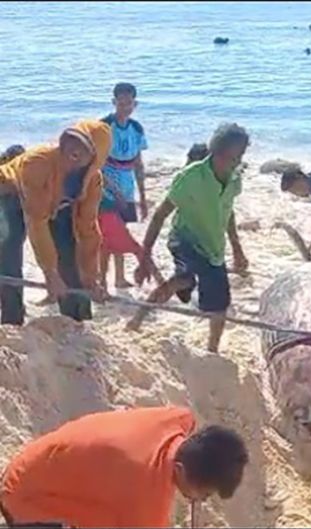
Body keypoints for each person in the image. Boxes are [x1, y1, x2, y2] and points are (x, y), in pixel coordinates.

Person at [0, 406, 248, 528]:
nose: (202, 500)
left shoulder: (176, 419)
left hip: (38, 467)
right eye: (203, 494)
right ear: (180, 470)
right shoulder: (145, 501)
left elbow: (188, 416)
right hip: (25, 500)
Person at [128, 124, 250, 353]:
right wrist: (145, 256)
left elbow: (228, 212)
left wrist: (236, 247)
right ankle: (138, 318)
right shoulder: (191, 177)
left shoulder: (235, 179)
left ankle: (212, 350)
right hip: (184, 239)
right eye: (228, 157)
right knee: (185, 278)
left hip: (213, 247)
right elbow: (160, 215)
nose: (234, 163)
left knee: (220, 304)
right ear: (215, 151)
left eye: (239, 157)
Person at [0, 120, 111, 325]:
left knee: (69, 256)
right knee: (8, 251)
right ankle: (12, 319)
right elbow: (37, 222)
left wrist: (91, 278)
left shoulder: (93, 181)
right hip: (10, 192)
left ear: (95, 158)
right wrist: (49, 273)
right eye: (70, 141)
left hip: (57, 203)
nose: (73, 149)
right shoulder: (38, 161)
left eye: (82, 147)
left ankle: (77, 318)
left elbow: (88, 230)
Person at [99, 82, 149, 290]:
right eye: (121, 103)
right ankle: (101, 279)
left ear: (134, 104)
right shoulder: (104, 127)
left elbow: (138, 163)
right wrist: (113, 190)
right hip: (106, 188)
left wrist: (142, 196)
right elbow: (98, 163)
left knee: (122, 233)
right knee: (105, 235)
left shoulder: (136, 128)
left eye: (129, 103)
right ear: (114, 102)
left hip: (128, 186)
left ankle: (119, 278)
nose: (125, 107)